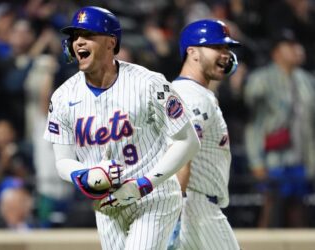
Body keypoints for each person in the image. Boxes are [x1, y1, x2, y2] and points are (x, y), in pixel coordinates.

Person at [43, 6, 200, 250]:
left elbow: (188, 141)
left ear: (110, 42)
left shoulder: (150, 84)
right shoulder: (63, 97)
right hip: (106, 204)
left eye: (88, 35)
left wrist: (145, 184)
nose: (79, 42)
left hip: (153, 197)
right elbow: (62, 162)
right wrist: (82, 175)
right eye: (75, 36)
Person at [169, 19, 241, 250]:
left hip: (189, 203)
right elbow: (180, 155)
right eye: (217, 47)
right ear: (193, 52)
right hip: (194, 206)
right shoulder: (192, 96)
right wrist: (174, 215)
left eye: (227, 48)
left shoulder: (184, 91)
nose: (225, 55)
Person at [244, 29, 315, 227]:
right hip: (272, 157)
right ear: (276, 52)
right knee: (271, 208)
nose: (297, 50)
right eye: (290, 46)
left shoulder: (307, 81)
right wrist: (256, 160)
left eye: (297, 45)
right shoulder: (261, 79)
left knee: (299, 211)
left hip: (301, 157)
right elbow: (253, 123)